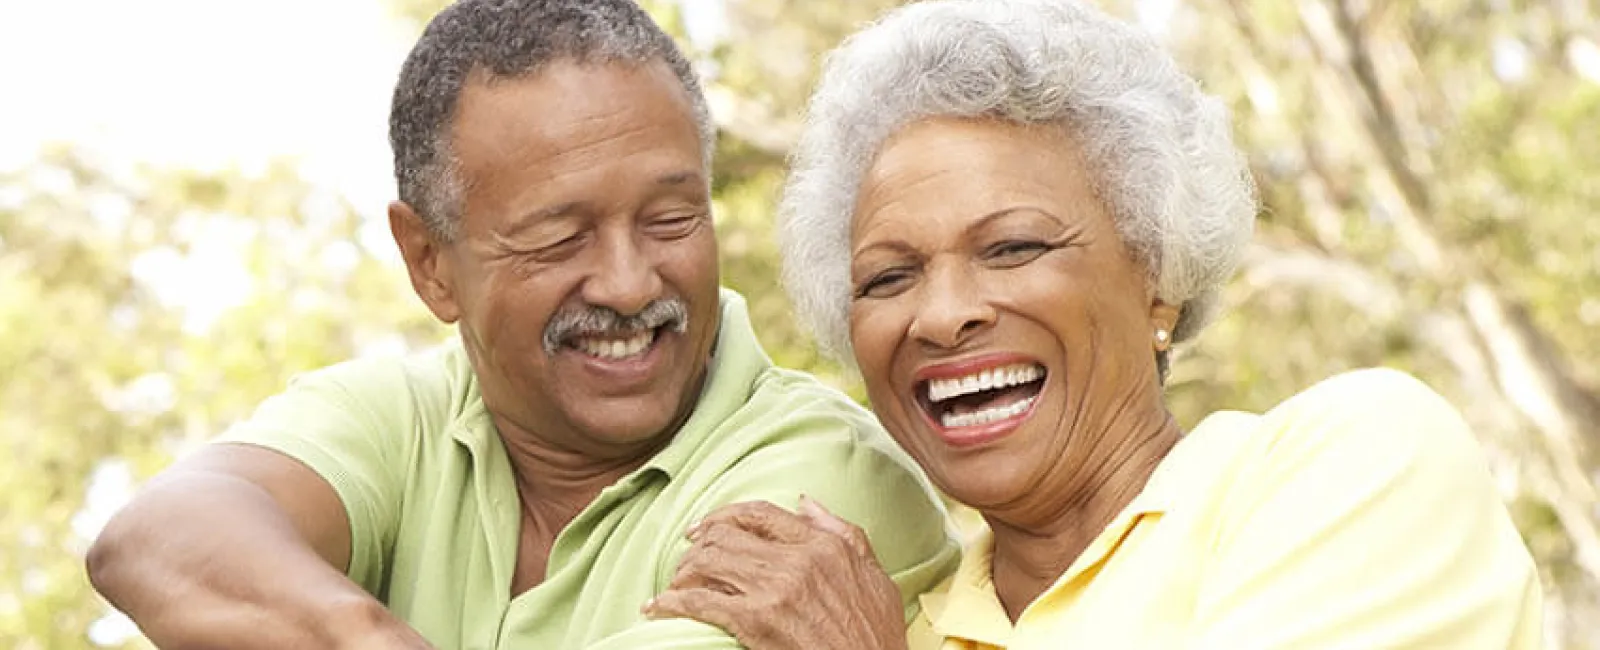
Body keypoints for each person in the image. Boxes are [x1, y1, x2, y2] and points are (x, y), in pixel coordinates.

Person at [641, 1, 1544, 648]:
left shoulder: (1355, 464)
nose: (943, 315)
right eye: (889, 277)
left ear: (1159, 276)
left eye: (1014, 247)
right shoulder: (898, 616)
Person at [83, 1, 959, 647]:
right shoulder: (406, 412)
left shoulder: (819, 491)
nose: (628, 283)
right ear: (430, 263)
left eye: (670, 219)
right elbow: (153, 538)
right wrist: (365, 634)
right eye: (559, 236)